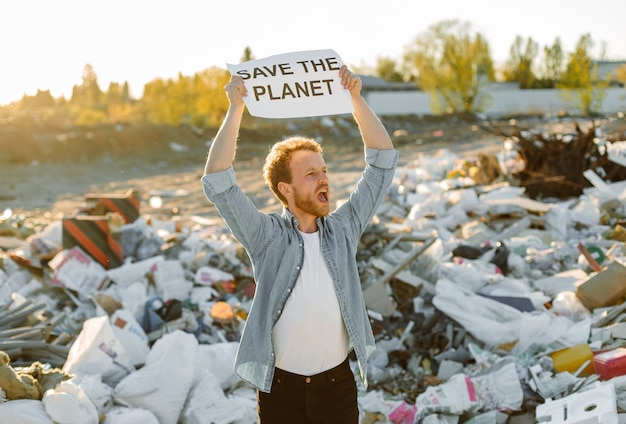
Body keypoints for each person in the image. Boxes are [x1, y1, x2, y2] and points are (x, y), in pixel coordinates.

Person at [201, 64, 398, 423]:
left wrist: (354, 98)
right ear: (285, 190)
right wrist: (236, 108)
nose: (324, 179)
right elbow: (218, 180)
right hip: (282, 393)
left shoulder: (344, 228)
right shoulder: (266, 236)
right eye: (311, 173)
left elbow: (382, 165)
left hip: (338, 387)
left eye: (324, 170)